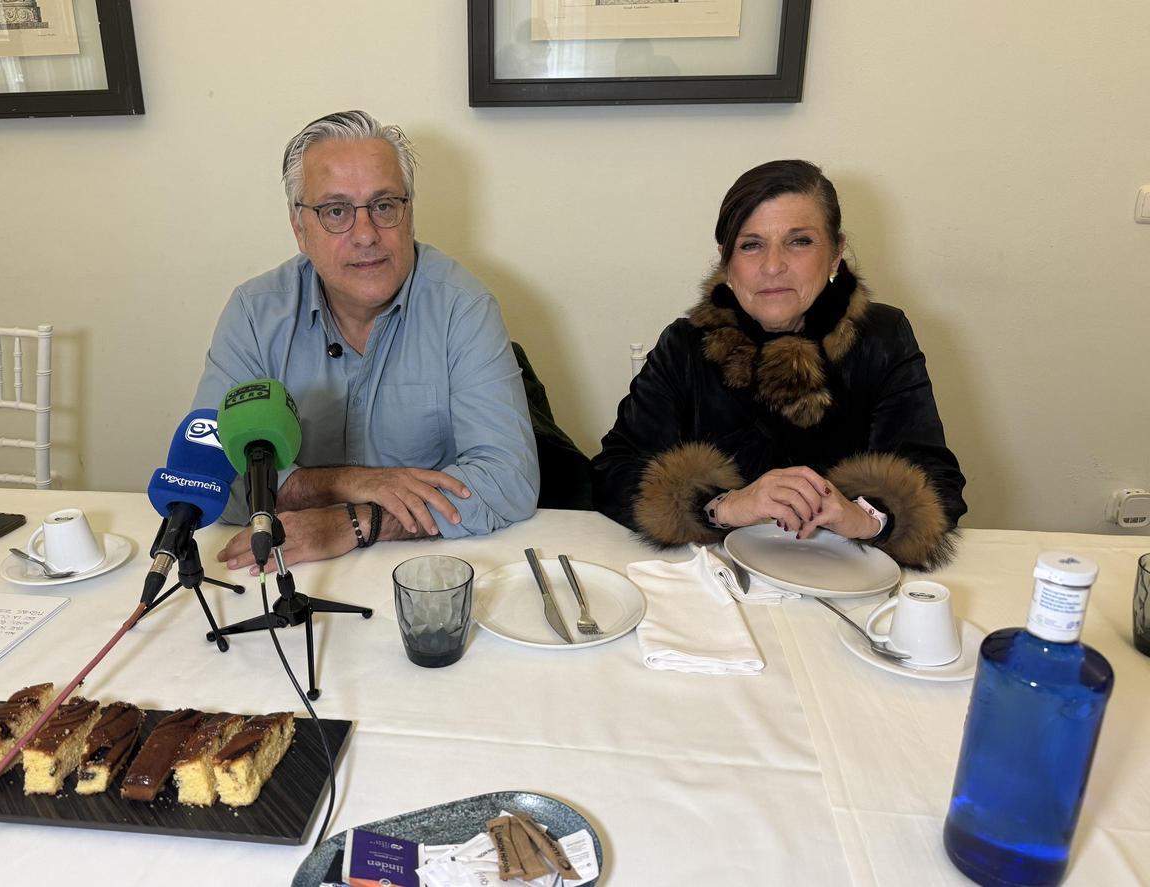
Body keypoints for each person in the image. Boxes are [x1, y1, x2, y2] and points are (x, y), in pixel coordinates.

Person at [192, 110, 539, 573]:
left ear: (409, 213)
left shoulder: (463, 306)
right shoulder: (255, 313)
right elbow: (211, 473)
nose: (366, 235)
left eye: (384, 206)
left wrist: (354, 523)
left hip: (428, 570)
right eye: (336, 211)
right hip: (285, 567)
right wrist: (349, 483)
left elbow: (507, 479)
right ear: (301, 229)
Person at [591, 160, 966, 570]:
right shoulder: (685, 345)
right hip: (716, 587)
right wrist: (725, 506)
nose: (772, 266)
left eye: (799, 241)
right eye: (751, 245)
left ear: (836, 252)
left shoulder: (883, 336)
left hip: (846, 580)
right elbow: (613, 471)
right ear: (726, 260)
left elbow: (938, 485)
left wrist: (863, 518)